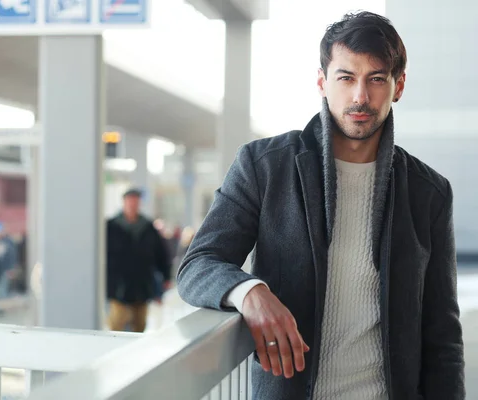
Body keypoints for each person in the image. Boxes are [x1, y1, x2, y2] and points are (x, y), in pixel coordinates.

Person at [177, 11, 464, 400]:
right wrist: (249, 291)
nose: (360, 96)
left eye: (376, 79)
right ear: (322, 82)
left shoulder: (429, 192)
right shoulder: (264, 166)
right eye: (346, 77)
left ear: (398, 86)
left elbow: (442, 336)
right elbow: (198, 263)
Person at [106, 188, 171, 332]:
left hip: (142, 285)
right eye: (130, 201)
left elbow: (160, 254)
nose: (133, 204)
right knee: (117, 323)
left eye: (136, 201)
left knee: (140, 324)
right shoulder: (111, 227)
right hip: (118, 286)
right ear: (124, 202)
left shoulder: (148, 227)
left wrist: (166, 277)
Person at [0, 221, 18, 298]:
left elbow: (12, 255)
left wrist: (11, 268)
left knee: (3, 289)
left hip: (5, 269)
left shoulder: (8, 242)